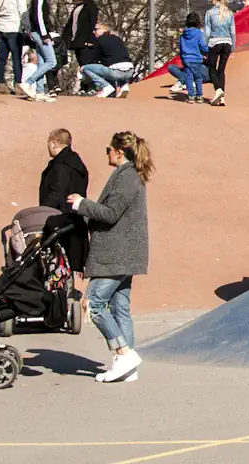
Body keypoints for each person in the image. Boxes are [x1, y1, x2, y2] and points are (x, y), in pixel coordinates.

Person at [64, 131, 154, 383]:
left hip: (117, 254)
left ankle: (124, 354)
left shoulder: (127, 177)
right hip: (123, 254)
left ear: (119, 152)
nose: (107, 153)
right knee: (119, 307)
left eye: (108, 149)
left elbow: (111, 213)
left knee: (94, 303)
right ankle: (127, 365)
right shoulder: (128, 175)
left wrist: (82, 204)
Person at [40, 129, 91, 271]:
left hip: (59, 226)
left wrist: (42, 214)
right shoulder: (78, 165)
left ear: (54, 143)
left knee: (56, 269)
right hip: (75, 226)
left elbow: (56, 193)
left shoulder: (60, 165)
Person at [22, 0, 61, 101]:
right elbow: (39, 16)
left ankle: (39, 92)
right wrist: (45, 34)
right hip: (40, 32)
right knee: (52, 61)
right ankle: (28, 82)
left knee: (42, 61)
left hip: (37, 32)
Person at [0, 0, 29, 95]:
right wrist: (28, 29)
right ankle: (18, 84)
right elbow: (23, 13)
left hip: (0, 28)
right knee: (16, 58)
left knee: (1, 57)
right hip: (14, 28)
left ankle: (0, 84)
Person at [80, 23, 137, 98]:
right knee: (114, 67)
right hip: (130, 71)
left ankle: (106, 87)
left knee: (86, 68)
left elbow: (95, 57)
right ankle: (124, 86)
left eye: (95, 30)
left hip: (115, 72)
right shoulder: (117, 39)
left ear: (103, 30)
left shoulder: (99, 40)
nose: (93, 32)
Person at [203, 0, 237, 106]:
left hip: (214, 42)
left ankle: (218, 90)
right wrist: (233, 47)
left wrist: (205, 46)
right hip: (227, 42)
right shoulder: (229, 12)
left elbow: (207, 32)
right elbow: (233, 32)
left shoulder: (209, 13)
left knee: (211, 68)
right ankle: (222, 98)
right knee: (221, 70)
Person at [170, 12, 210, 104]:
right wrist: (208, 51)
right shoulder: (199, 33)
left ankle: (191, 96)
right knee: (198, 78)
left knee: (189, 77)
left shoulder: (183, 34)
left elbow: (181, 47)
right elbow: (203, 46)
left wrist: (183, 56)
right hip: (196, 59)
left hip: (186, 59)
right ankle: (199, 96)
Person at [65, 0, 101, 76]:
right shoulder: (78, 7)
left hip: (86, 42)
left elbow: (92, 23)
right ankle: (86, 86)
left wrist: (88, 40)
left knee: (88, 65)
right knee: (82, 66)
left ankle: (91, 86)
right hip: (77, 41)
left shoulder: (91, 6)